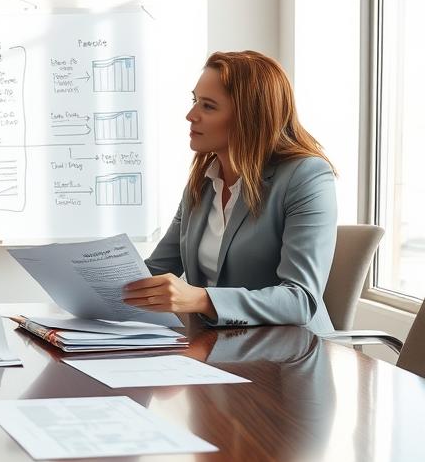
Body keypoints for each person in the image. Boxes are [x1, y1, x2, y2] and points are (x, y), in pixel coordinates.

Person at [123, 50, 337, 332]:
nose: (190, 115)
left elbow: (300, 299)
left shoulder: (306, 177)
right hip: (220, 346)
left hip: (293, 354)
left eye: (208, 106)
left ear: (250, 117)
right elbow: (159, 268)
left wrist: (201, 299)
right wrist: (92, 279)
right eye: (194, 101)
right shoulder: (203, 181)